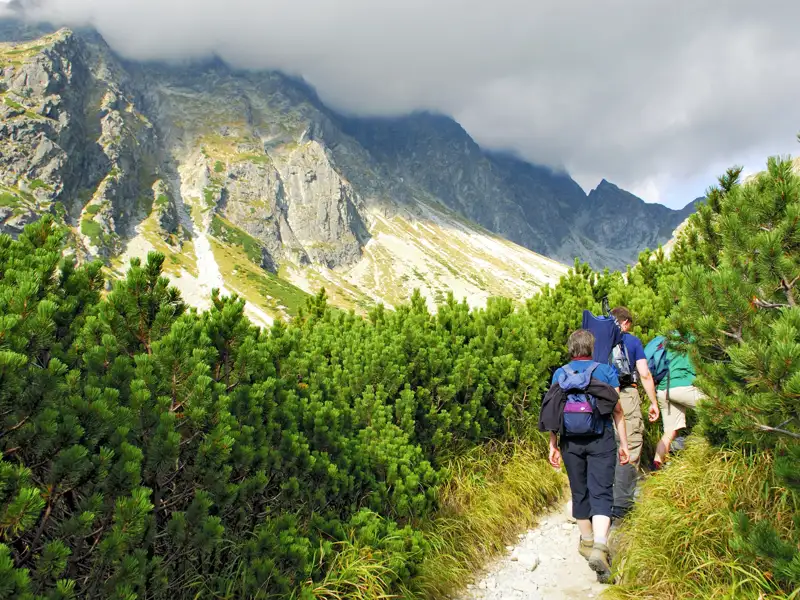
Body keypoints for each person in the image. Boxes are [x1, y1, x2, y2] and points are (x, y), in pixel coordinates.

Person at [545, 329, 630, 583]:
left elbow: (553, 412)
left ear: (571, 349)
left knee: (579, 491)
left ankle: (587, 541)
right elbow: (617, 410)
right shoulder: (604, 371)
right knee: (602, 492)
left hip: (571, 441)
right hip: (601, 438)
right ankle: (601, 547)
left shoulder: (560, 373)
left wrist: (553, 444)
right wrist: (624, 443)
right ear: (591, 348)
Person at [609, 307, 659, 521]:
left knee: (607, 446)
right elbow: (645, 374)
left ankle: (602, 501)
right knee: (630, 444)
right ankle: (622, 506)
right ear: (626, 322)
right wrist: (653, 402)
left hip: (601, 395)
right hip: (626, 395)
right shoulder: (632, 342)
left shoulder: (598, 341)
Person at [652, 342, 706, 468]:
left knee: (669, 432)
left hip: (663, 389)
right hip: (682, 386)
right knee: (715, 408)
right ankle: (705, 454)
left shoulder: (660, 340)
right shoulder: (690, 337)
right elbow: (697, 367)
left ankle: (656, 466)